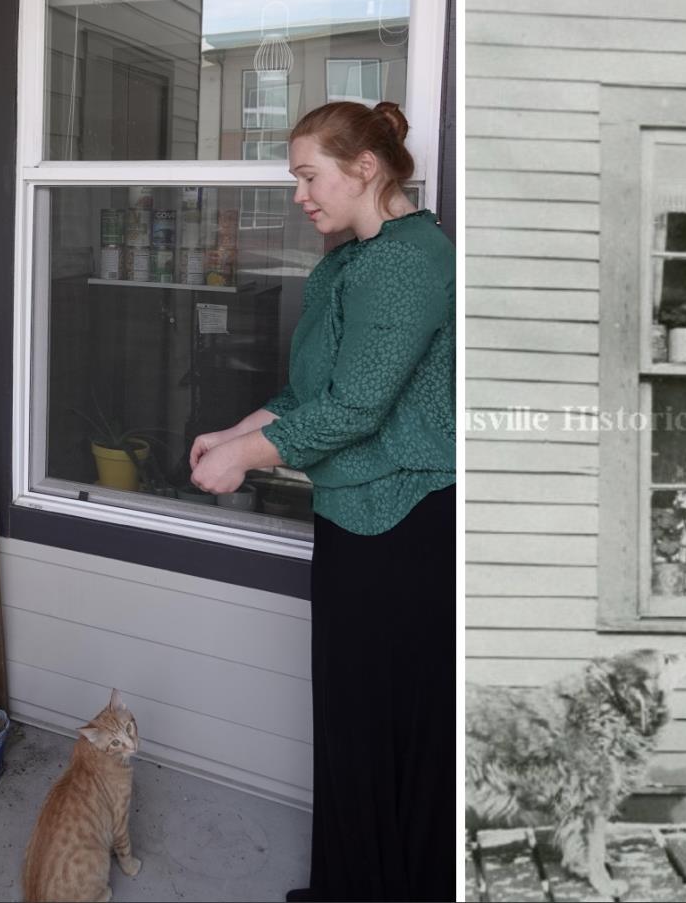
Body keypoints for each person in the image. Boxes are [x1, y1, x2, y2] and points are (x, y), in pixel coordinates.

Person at [188, 100, 455, 902]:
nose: (300, 194)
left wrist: (243, 457)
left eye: (309, 175)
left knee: (383, 730)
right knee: (350, 722)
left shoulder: (412, 261)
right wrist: (236, 430)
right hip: (351, 517)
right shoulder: (350, 260)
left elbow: (357, 408)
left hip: (402, 528)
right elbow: (315, 392)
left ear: (365, 168)